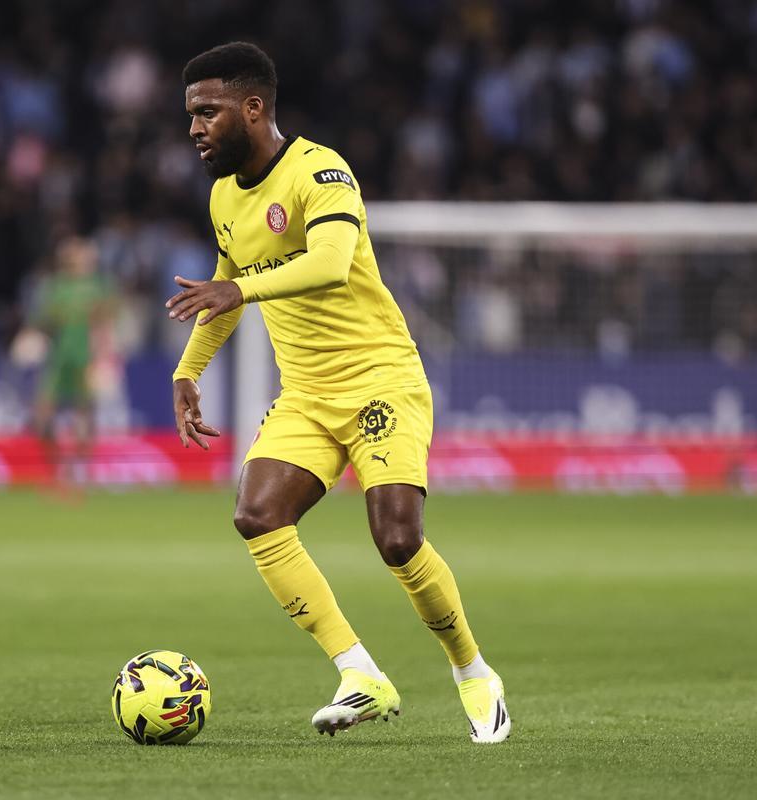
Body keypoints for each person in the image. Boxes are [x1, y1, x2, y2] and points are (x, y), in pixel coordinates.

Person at [166, 42, 510, 742]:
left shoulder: (321, 171)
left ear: (253, 107)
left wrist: (238, 288)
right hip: (307, 393)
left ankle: (473, 672)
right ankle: (361, 675)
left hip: (380, 378)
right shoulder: (224, 196)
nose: (195, 128)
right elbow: (224, 291)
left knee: (397, 538)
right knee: (257, 514)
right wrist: (188, 370)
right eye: (191, 115)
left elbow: (328, 263)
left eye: (208, 112)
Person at [12, 235, 113, 488]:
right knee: (42, 418)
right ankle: (59, 470)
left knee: (84, 418)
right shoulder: (55, 287)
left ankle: (79, 474)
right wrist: (28, 338)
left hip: (85, 359)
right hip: (58, 360)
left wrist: (104, 358)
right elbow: (42, 322)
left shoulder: (97, 287)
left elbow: (103, 324)